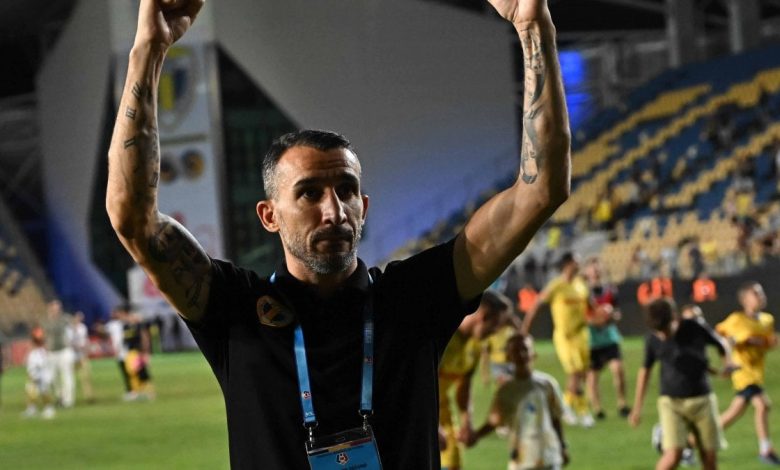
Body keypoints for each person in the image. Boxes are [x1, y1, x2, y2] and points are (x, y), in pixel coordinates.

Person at [105, 0, 571, 467]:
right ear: (269, 215)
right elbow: (133, 219)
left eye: (346, 190)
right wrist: (149, 49)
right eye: (308, 193)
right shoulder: (235, 310)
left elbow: (540, 191)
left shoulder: (413, 298)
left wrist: (534, 25)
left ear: (363, 207)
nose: (333, 211)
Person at [629, 298, 735, 470]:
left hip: (702, 401)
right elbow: (645, 372)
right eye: (658, 332)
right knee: (673, 455)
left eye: (666, 330)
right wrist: (637, 408)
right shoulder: (652, 339)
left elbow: (721, 344)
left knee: (709, 457)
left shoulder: (694, 327)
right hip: (671, 403)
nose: (663, 336)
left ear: (674, 317)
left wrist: (728, 363)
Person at [471, 333, 569, 469]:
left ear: (533, 353)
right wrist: (475, 435)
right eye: (516, 351)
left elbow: (555, 418)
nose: (521, 354)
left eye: (525, 349)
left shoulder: (547, 384)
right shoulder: (506, 391)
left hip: (548, 456)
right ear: (508, 357)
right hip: (522, 459)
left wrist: (562, 446)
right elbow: (494, 421)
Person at [438, 290, 509, 470]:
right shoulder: (443, 336)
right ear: (483, 317)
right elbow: (418, 384)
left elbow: (464, 385)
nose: (494, 333)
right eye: (495, 326)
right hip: (417, 410)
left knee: (453, 462)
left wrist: (466, 421)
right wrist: (431, 425)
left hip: (441, 409)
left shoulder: (477, 345)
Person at [522, 252, 594, 427]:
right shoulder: (556, 285)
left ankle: (581, 410)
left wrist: (604, 315)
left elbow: (591, 307)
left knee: (582, 373)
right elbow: (536, 305)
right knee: (575, 371)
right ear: (567, 264)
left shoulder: (581, 285)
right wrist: (525, 330)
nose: (579, 263)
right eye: (576, 260)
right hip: (564, 336)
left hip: (581, 335)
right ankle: (566, 407)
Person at [716, 282, 780, 465]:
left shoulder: (767, 320)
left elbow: (769, 343)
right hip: (742, 371)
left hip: (757, 372)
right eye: (756, 294)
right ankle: (765, 449)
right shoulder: (736, 319)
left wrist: (765, 343)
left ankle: (688, 442)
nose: (761, 296)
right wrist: (728, 356)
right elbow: (718, 335)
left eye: (761, 293)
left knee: (732, 414)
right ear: (745, 300)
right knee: (763, 405)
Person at [583, 256, 629, 420]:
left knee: (618, 369)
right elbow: (581, 316)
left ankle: (622, 404)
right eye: (592, 269)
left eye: (597, 268)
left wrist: (611, 317)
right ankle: (597, 408)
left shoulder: (610, 290)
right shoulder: (582, 291)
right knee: (593, 376)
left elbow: (617, 312)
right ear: (587, 272)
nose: (595, 271)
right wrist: (595, 320)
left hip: (609, 337)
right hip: (592, 339)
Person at [42, 300, 75, 408]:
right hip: (51, 352)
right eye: (54, 308)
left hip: (64, 350)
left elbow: (72, 327)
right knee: (52, 378)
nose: (56, 310)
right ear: (50, 308)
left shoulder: (65, 319)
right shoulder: (45, 320)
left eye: (58, 308)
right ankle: (60, 396)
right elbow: (44, 334)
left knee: (67, 375)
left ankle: (68, 400)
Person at [23, 327, 56, 419]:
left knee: (44, 391)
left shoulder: (41, 352)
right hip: (36, 374)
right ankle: (32, 409)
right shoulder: (35, 352)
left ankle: (49, 409)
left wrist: (35, 374)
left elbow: (41, 364)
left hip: (42, 375)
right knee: (30, 390)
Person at [105, 305, 132, 398]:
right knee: (124, 372)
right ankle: (130, 390)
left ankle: (131, 391)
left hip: (126, 352)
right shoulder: (112, 324)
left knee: (128, 372)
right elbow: (104, 330)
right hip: (119, 352)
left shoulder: (124, 324)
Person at [70, 311, 95, 404]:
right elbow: (68, 341)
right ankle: (69, 397)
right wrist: (76, 346)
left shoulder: (82, 327)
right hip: (72, 356)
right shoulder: (69, 328)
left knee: (86, 376)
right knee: (69, 377)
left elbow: (85, 339)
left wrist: (86, 349)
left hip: (82, 355)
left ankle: (89, 396)